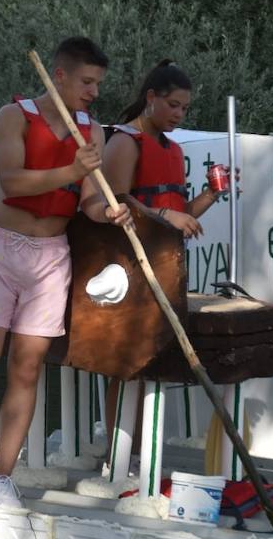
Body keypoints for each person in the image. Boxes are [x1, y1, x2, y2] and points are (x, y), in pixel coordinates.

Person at [0, 37, 130, 507]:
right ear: (60, 75)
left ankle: (1, 477)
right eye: (87, 82)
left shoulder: (93, 132)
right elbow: (13, 182)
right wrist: (72, 169)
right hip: (2, 249)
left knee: (26, 366)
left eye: (98, 84)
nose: (93, 92)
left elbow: (88, 199)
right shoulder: (14, 117)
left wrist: (109, 212)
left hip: (51, 255)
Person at [81, 59, 228, 472]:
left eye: (185, 108)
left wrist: (213, 194)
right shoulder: (125, 142)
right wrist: (168, 217)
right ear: (151, 98)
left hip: (166, 265)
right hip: (129, 265)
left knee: (151, 363)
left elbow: (179, 210)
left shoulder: (174, 149)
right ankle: (118, 455)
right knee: (126, 364)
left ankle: (140, 453)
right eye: (174, 105)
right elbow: (118, 199)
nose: (180, 114)